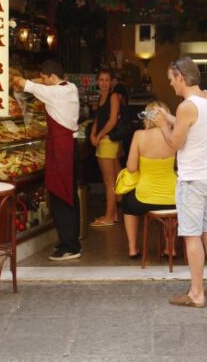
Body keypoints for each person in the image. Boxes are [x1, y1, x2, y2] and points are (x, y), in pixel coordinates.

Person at [157, 56, 207, 308]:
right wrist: (169, 117)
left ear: (181, 77)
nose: (171, 85)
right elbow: (193, 126)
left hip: (192, 181)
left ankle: (196, 293)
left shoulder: (186, 106)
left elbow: (176, 143)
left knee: (191, 236)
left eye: (171, 80)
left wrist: (161, 125)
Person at [12, 61, 82, 261]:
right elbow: (36, 83)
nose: (41, 81)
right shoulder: (70, 87)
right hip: (67, 147)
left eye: (44, 78)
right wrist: (37, 79)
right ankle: (71, 240)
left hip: (62, 149)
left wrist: (12, 76)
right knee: (69, 195)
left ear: (51, 77)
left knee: (61, 196)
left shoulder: (54, 93)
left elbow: (21, 82)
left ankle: (69, 246)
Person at [120, 100, 177, 259]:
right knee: (171, 213)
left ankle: (132, 248)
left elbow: (131, 168)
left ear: (147, 116)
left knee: (127, 205)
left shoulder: (139, 136)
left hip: (144, 197)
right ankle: (170, 248)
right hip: (172, 197)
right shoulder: (173, 137)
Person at [89, 68, 126, 227]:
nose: (104, 83)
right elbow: (99, 119)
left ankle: (108, 217)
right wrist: (92, 134)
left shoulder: (114, 97)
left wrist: (99, 135)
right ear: (98, 81)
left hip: (108, 141)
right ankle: (114, 215)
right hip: (103, 140)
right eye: (101, 80)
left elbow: (112, 121)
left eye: (107, 80)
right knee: (109, 180)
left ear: (111, 82)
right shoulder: (101, 97)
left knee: (109, 182)